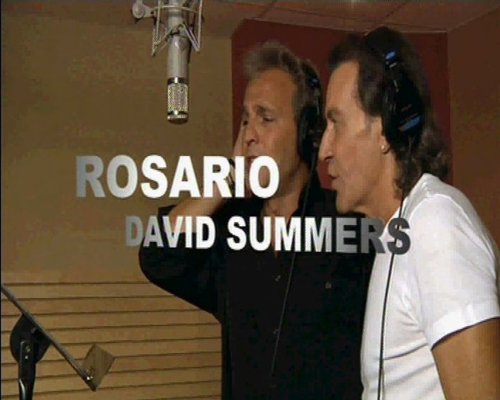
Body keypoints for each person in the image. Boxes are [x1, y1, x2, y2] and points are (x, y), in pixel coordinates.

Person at [139, 42, 373, 399]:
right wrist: (228, 180)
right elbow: (157, 254)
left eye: (265, 118)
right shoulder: (229, 230)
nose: (249, 135)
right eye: (245, 120)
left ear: (307, 133)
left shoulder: (352, 228)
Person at [319, 26, 500, 400]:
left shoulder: (435, 224)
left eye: (336, 123)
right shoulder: (398, 234)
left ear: (385, 128)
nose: (324, 150)